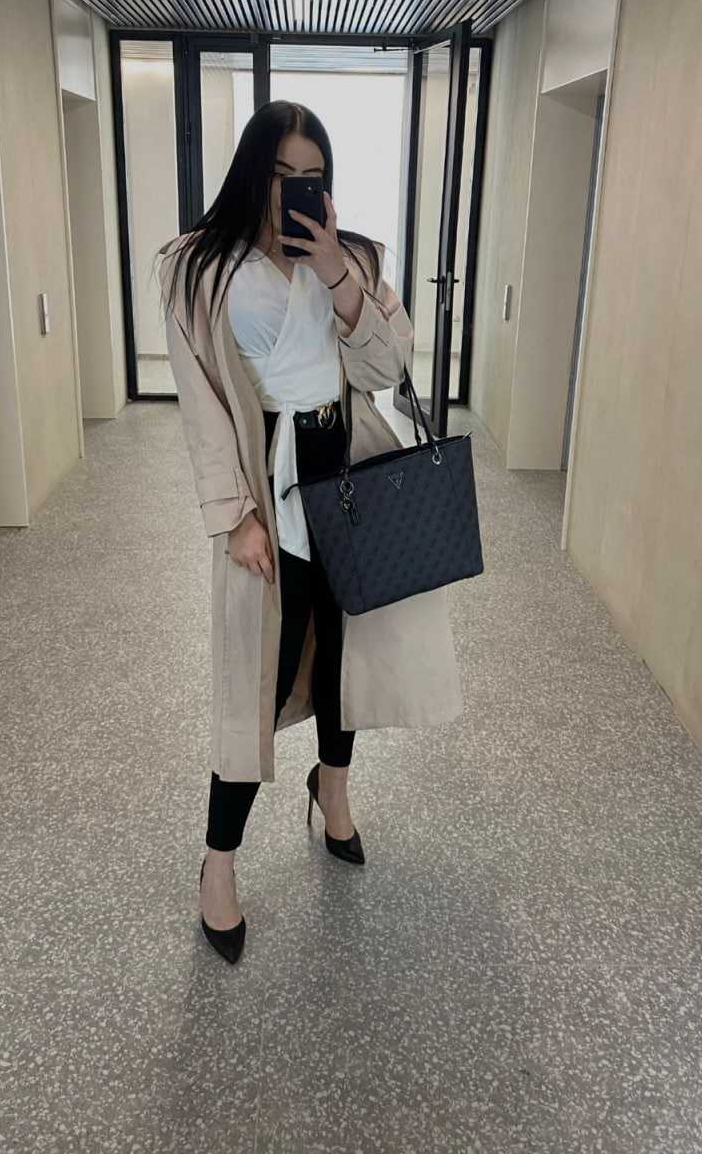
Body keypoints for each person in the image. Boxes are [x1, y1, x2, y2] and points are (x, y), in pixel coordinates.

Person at [157, 101, 464, 964]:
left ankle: (332, 791)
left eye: (313, 176)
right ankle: (219, 862)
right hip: (268, 484)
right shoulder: (196, 266)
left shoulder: (354, 257)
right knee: (255, 679)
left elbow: (389, 367)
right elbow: (202, 404)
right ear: (254, 170)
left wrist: (335, 271)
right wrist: (233, 516)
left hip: (351, 474)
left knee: (344, 653)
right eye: (283, 173)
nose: (296, 189)